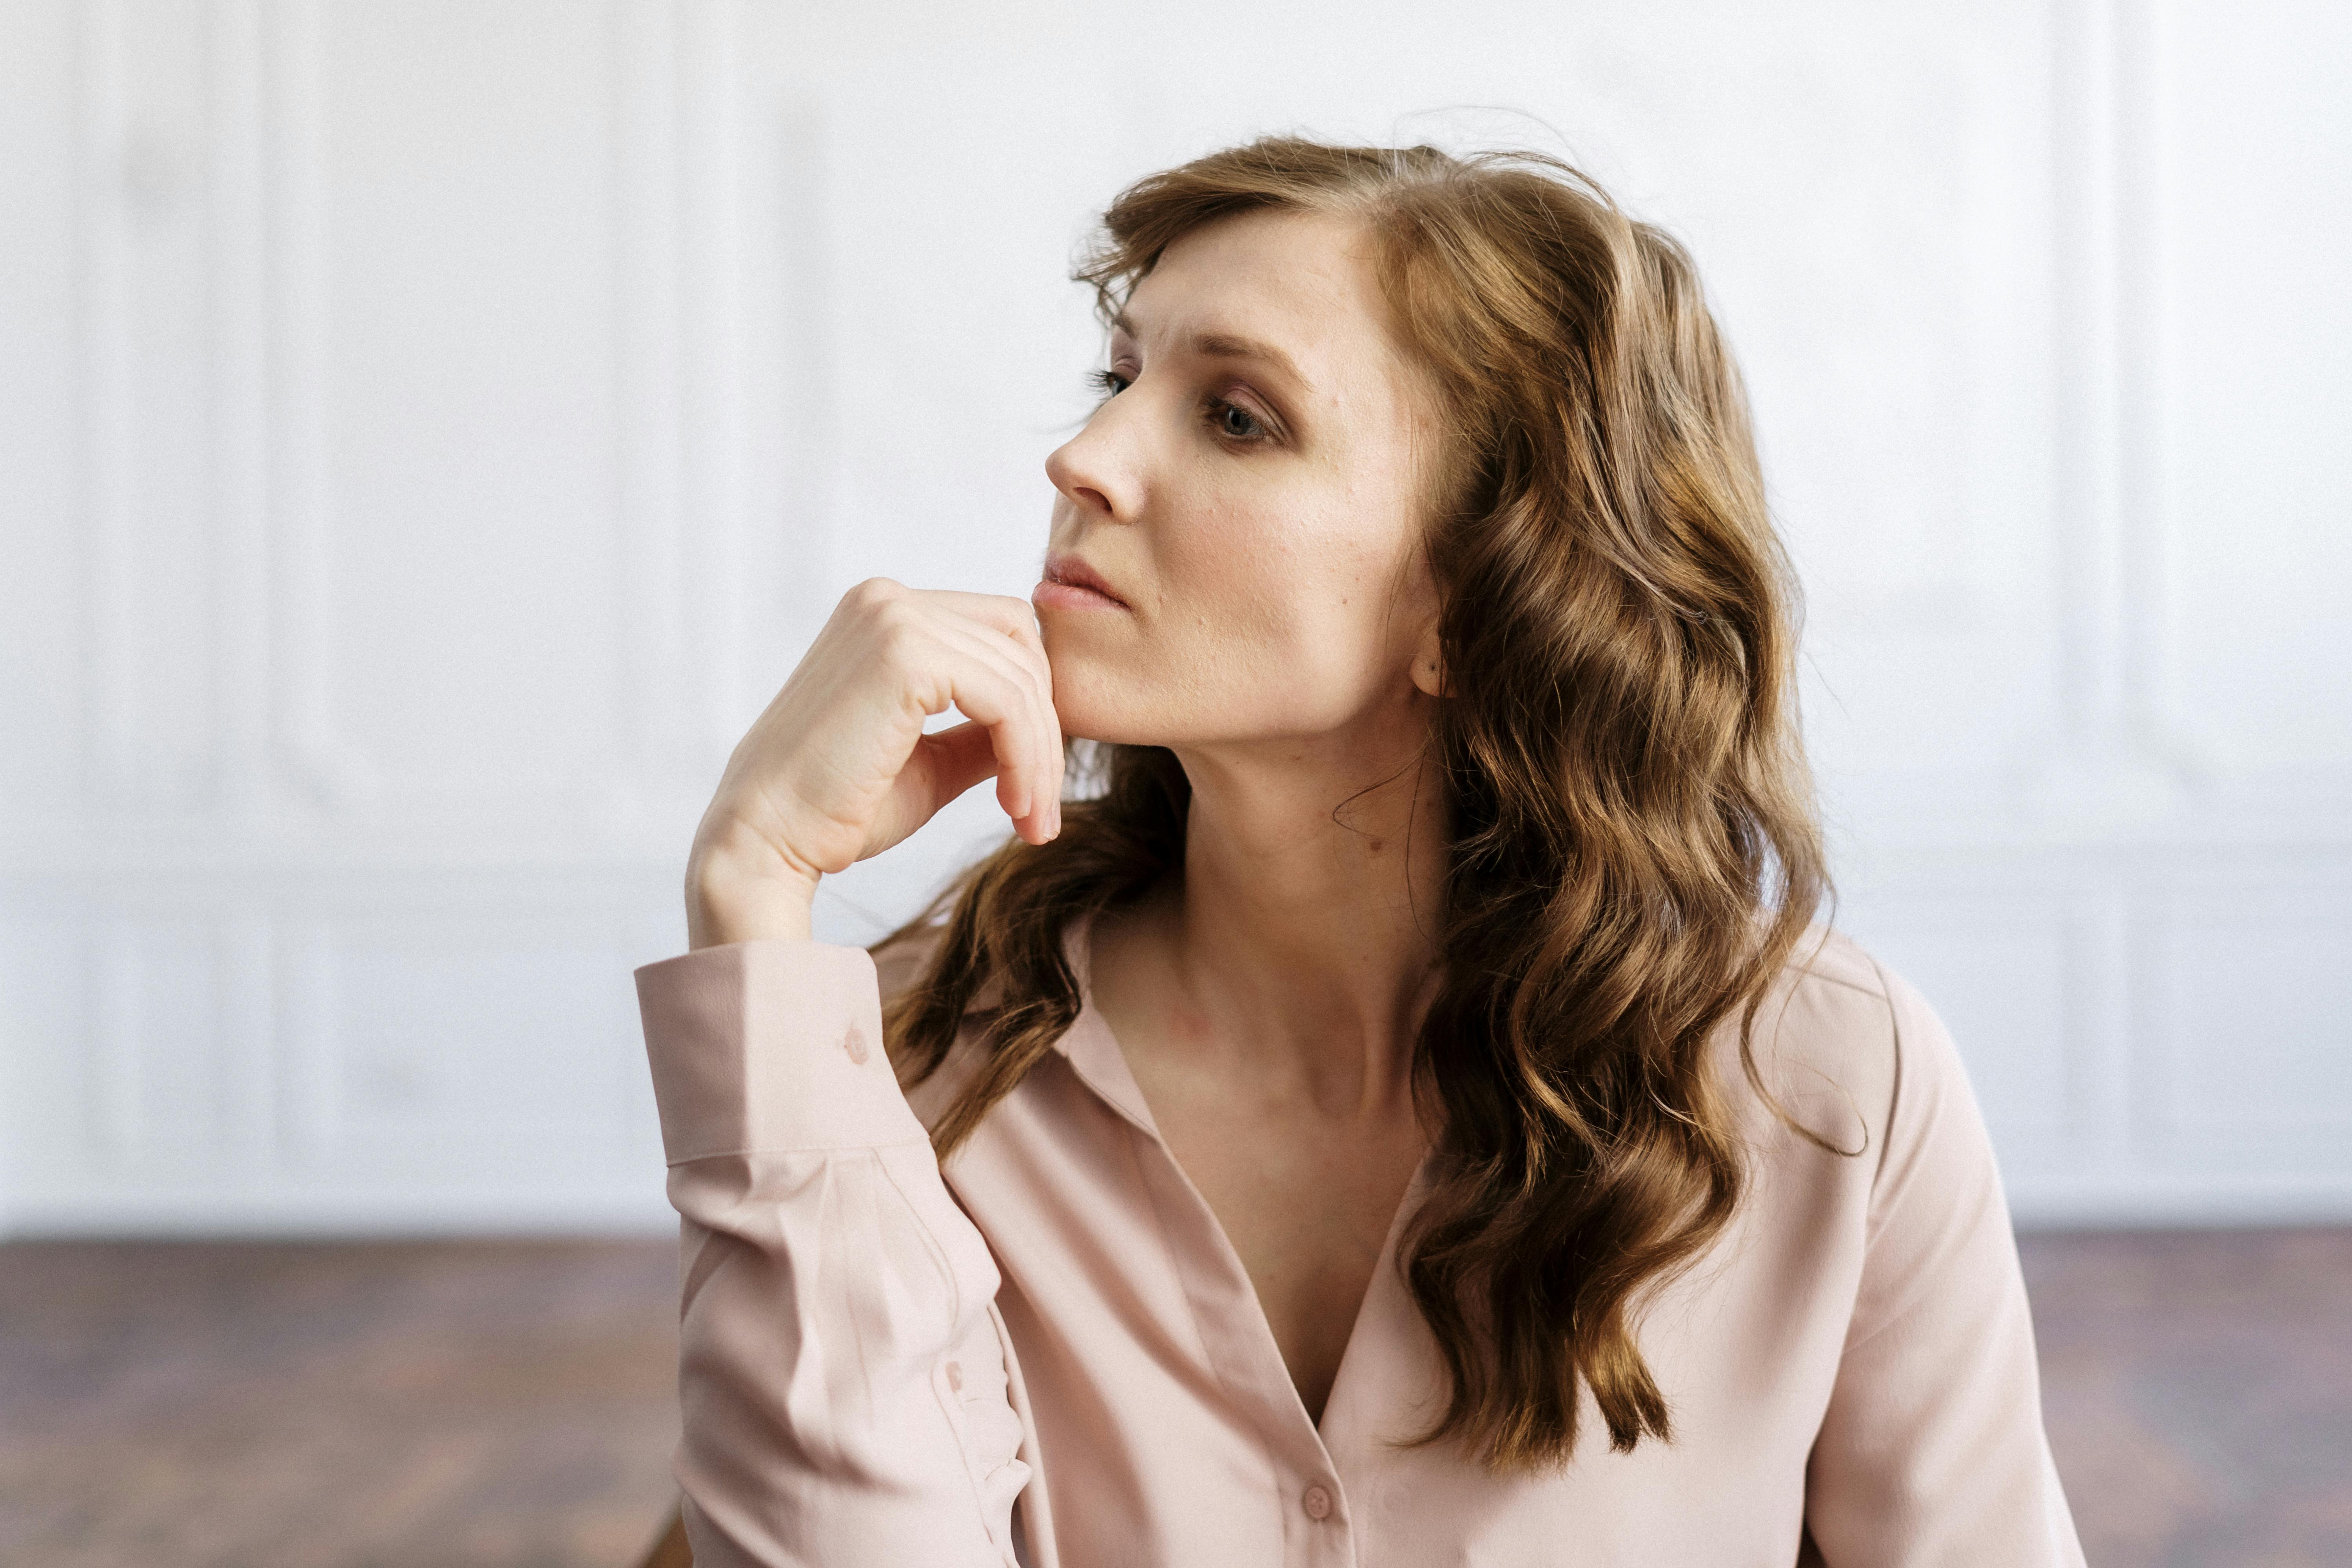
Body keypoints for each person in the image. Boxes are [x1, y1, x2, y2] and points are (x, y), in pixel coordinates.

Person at [632, 137, 2086, 1566]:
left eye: (1238, 417)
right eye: (1122, 377)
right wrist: (756, 884)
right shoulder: (913, 1054)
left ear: (1483, 598)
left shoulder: (1827, 1088)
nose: (1083, 457)